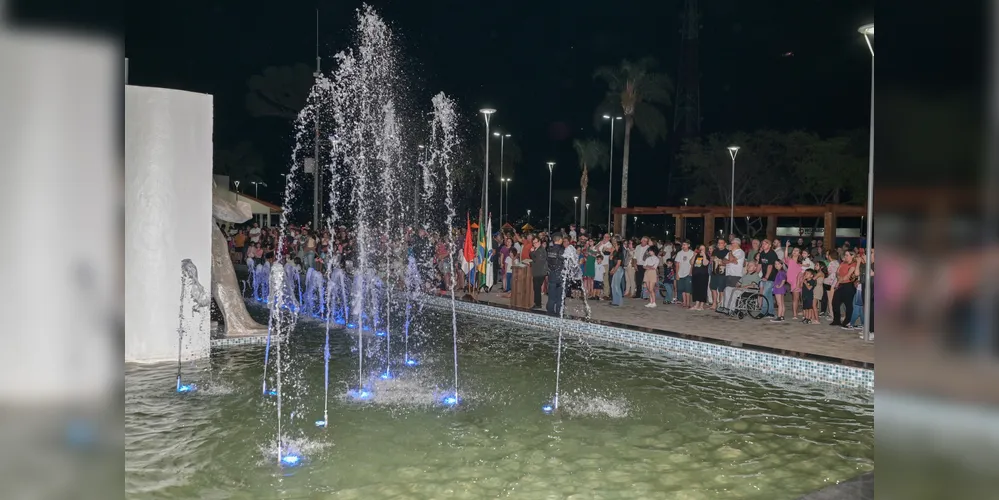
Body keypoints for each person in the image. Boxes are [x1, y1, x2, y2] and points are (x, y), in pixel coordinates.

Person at [546, 232, 568, 315]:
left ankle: (550, 311)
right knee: (560, 296)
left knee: (551, 296)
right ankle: (559, 312)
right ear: (560, 240)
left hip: (551, 274)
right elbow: (565, 260)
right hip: (559, 275)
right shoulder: (561, 250)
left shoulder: (549, 249)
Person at [758, 240, 779, 317]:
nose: (763, 245)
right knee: (768, 295)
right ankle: (771, 312)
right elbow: (760, 264)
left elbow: (770, 266)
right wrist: (755, 273)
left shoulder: (772, 254)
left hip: (772, 277)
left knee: (764, 293)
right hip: (764, 277)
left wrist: (766, 277)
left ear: (770, 245)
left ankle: (763, 312)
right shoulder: (762, 253)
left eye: (765, 244)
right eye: (762, 243)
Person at [674, 240, 694, 308]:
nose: (683, 246)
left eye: (685, 245)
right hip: (680, 273)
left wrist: (691, 272)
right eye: (682, 245)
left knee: (688, 289)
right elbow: (677, 264)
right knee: (682, 288)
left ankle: (688, 302)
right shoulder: (679, 253)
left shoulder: (692, 253)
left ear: (688, 245)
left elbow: (692, 264)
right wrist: (677, 274)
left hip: (688, 273)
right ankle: (684, 302)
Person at [529, 237, 547, 309]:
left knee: (537, 288)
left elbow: (537, 260)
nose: (534, 244)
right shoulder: (538, 249)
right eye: (533, 243)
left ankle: (538, 304)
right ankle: (537, 303)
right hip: (538, 271)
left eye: (536, 242)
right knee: (536, 288)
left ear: (539, 242)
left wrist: (532, 252)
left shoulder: (540, 250)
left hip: (540, 272)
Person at [690, 244, 710, 310]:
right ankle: (696, 304)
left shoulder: (707, 256)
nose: (701, 250)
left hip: (703, 275)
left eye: (703, 249)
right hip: (696, 275)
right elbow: (691, 262)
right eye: (700, 248)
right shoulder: (696, 255)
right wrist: (694, 255)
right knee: (696, 290)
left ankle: (701, 305)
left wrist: (704, 255)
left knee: (702, 290)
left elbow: (705, 263)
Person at [610, 240, 625, 306]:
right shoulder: (615, 252)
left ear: (619, 246)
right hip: (615, 268)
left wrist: (614, 270)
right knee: (613, 285)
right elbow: (611, 259)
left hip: (618, 269)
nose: (614, 245)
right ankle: (615, 301)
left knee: (616, 286)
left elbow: (618, 263)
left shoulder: (620, 253)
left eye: (615, 244)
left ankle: (619, 301)